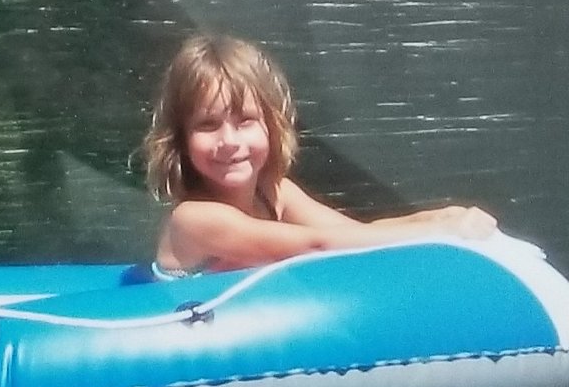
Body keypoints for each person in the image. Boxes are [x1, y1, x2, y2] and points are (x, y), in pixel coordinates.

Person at [141, 33, 497, 274]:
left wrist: (438, 218)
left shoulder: (274, 191)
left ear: (271, 125)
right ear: (180, 140)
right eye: (207, 125)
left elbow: (356, 233)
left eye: (246, 121)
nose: (229, 141)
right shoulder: (195, 218)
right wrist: (443, 232)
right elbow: (317, 245)